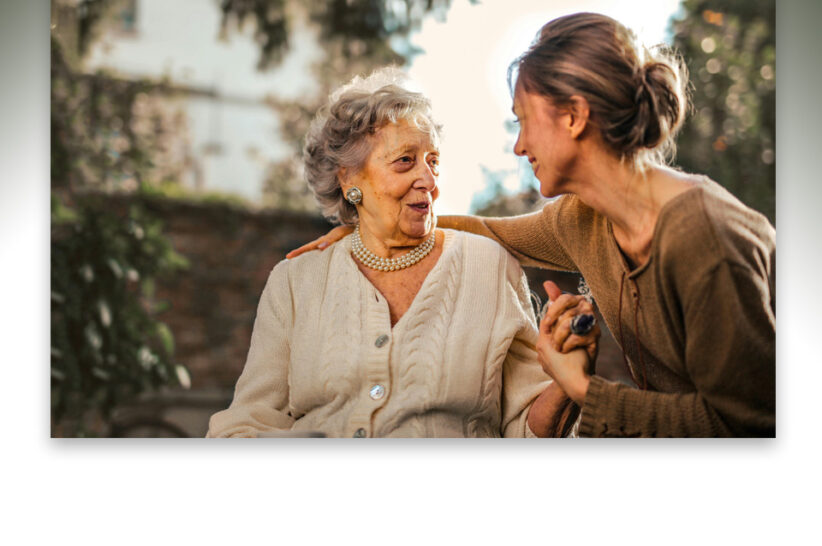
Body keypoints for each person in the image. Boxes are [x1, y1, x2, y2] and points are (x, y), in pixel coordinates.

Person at [289, 13, 776, 438]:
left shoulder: (703, 237)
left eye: (524, 120)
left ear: (574, 116)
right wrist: (373, 228)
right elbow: (490, 231)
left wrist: (582, 388)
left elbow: (751, 424)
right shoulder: (584, 219)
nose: (519, 146)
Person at [207, 68, 593, 438]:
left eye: (434, 162)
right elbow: (250, 420)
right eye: (405, 161)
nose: (428, 181)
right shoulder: (295, 281)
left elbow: (526, 432)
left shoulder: (489, 267)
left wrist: (565, 381)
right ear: (349, 179)